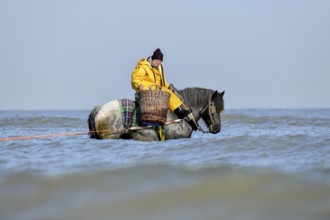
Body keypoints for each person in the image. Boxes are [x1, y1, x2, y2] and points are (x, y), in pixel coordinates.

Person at [131, 48, 192, 119]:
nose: (159, 62)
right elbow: (135, 78)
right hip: (147, 90)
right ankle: (178, 112)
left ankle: (179, 109)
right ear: (153, 59)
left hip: (157, 90)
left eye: (160, 61)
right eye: (158, 61)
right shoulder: (143, 66)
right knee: (165, 91)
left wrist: (168, 86)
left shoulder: (159, 67)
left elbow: (161, 82)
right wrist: (138, 85)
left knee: (167, 91)